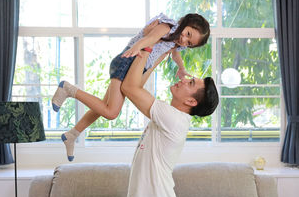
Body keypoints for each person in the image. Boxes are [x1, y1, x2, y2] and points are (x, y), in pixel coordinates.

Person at [51, 13, 210, 161]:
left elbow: (175, 54)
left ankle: (72, 134)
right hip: (128, 61)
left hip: (137, 68)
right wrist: (136, 48)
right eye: (188, 34)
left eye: (189, 43)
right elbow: (151, 38)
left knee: (103, 107)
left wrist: (181, 68)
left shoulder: (177, 43)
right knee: (111, 112)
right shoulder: (168, 27)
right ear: (185, 23)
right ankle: (68, 89)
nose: (184, 40)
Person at [121, 44, 219, 197]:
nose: (184, 79)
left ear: (191, 100)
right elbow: (136, 86)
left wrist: (149, 48)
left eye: (190, 82)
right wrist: (162, 54)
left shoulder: (173, 118)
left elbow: (129, 88)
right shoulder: (169, 115)